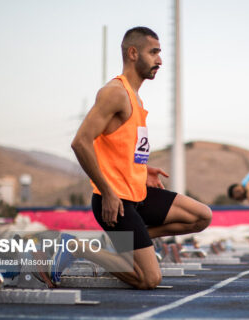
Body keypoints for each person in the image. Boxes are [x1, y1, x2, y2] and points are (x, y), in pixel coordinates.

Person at [52, 27, 212, 289]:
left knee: (201, 216)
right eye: (154, 53)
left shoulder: (135, 96)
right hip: (115, 201)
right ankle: (76, 246)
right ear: (133, 53)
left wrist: (143, 168)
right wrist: (108, 192)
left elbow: (118, 145)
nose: (160, 60)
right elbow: (80, 142)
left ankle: (133, 245)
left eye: (160, 53)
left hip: (138, 192)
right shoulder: (115, 92)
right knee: (149, 279)